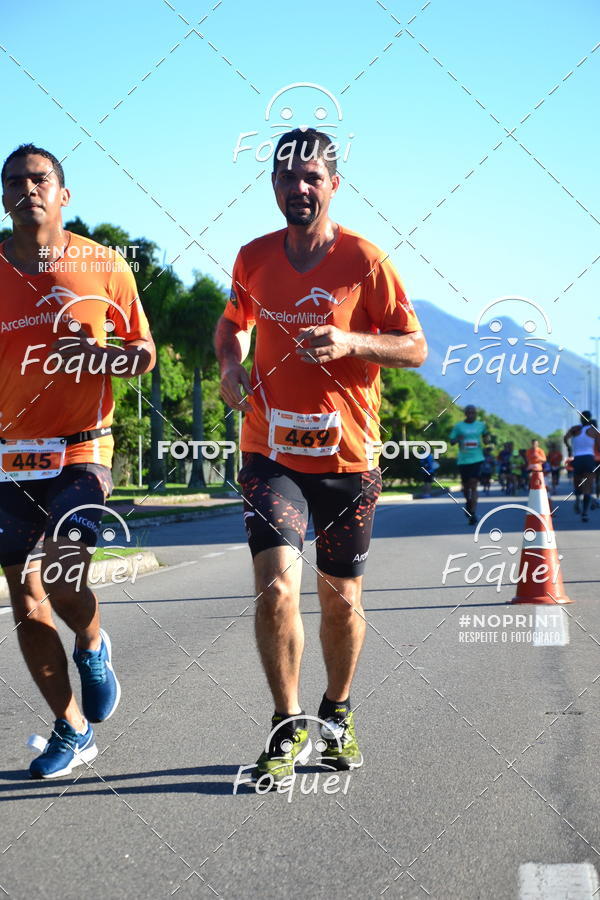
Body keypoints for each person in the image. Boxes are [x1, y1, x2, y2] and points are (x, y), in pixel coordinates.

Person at [215, 128, 427, 786]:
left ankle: (337, 711)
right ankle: (286, 724)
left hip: (349, 456)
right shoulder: (252, 257)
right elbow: (232, 322)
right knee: (277, 586)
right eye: (286, 177)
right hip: (269, 452)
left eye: (312, 177)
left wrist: (352, 342)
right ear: (272, 186)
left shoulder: (366, 259)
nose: (298, 188)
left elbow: (415, 347)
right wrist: (230, 362)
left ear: (333, 185)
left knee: (340, 601)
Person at [0, 144, 155, 777]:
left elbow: (141, 352)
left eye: (40, 180)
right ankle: (71, 727)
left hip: (82, 446)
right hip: (10, 454)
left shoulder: (103, 265)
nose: (27, 189)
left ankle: (91, 644)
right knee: (23, 591)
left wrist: (101, 356)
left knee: (64, 577)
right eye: (14, 181)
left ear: (63, 195)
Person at [449, 405, 491, 524]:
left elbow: (486, 437)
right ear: (465, 414)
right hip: (463, 460)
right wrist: (457, 439)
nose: (472, 415)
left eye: (474, 413)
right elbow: (451, 441)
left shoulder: (481, 425)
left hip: (477, 459)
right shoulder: (459, 427)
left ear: (476, 414)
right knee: (466, 487)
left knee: (474, 485)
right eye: (469, 413)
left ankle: (473, 512)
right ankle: (468, 502)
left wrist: (487, 439)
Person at [564, 411, 600, 522]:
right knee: (588, 487)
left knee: (578, 483)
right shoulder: (593, 431)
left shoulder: (575, 429)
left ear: (580, 418)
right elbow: (599, 446)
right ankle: (585, 513)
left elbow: (565, 438)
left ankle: (578, 498)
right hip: (589, 459)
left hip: (577, 459)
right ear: (590, 418)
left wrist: (569, 448)